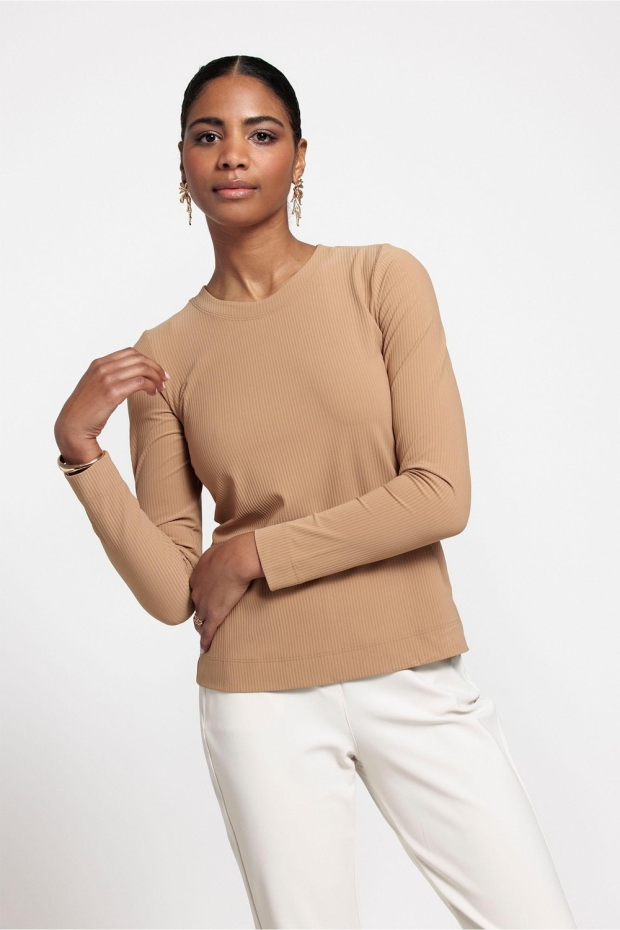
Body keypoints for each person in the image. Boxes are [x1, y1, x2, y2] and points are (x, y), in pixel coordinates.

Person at [54, 55, 578, 930]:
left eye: (260, 134)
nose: (232, 154)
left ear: (299, 157)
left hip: (410, 670)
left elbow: (440, 493)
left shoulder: (381, 280)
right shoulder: (163, 355)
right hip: (258, 700)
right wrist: (80, 453)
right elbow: (175, 590)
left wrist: (255, 554)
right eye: (208, 135)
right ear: (182, 162)